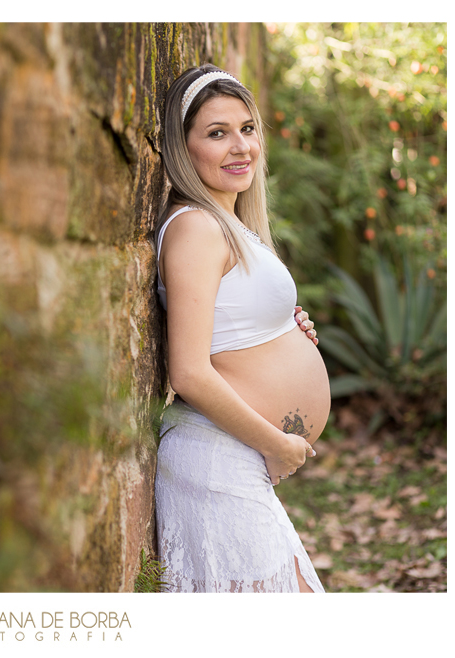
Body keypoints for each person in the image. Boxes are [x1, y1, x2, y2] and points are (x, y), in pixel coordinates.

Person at [154, 64, 330, 593]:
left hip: (233, 460)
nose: (241, 147)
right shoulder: (195, 228)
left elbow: (231, 325)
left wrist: (285, 327)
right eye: (217, 133)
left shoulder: (229, 224)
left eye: (247, 129)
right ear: (183, 149)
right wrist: (277, 443)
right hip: (216, 461)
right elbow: (187, 372)